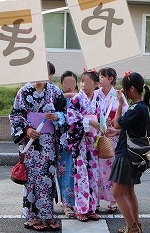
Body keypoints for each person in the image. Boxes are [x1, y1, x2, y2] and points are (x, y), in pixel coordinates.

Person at [9, 61, 63, 231]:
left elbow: (67, 112)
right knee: (32, 177)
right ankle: (32, 217)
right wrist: (27, 129)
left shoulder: (55, 92)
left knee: (47, 176)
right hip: (31, 142)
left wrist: (58, 117)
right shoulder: (24, 92)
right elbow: (15, 115)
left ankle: (48, 215)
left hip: (48, 142)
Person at [109, 71, 150, 233]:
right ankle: (135, 225)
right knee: (128, 192)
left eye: (125, 88)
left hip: (126, 154)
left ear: (132, 89)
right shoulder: (141, 107)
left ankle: (132, 228)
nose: (123, 91)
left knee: (117, 193)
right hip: (131, 153)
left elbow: (117, 123)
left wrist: (120, 104)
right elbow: (128, 129)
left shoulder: (136, 108)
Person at [67, 69, 104, 222]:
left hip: (93, 140)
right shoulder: (76, 99)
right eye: (82, 81)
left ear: (96, 84)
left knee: (93, 175)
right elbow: (72, 119)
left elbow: (101, 116)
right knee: (81, 175)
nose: (83, 84)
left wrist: (102, 125)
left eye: (87, 81)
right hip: (81, 141)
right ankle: (81, 209)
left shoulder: (98, 98)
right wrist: (89, 122)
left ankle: (92, 208)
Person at [96, 67, 128, 214]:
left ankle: (113, 200)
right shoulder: (95, 94)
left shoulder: (118, 95)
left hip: (112, 135)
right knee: (95, 168)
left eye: (102, 76)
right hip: (96, 134)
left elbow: (125, 116)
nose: (100, 79)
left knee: (112, 167)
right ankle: (94, 199)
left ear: (110, 79)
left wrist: (115, 121)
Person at [55, 71, 78, 218]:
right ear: (61, 84)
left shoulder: (80, 98)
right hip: (61, 140)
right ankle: (66, 202)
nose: (69, 87)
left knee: (75, 173)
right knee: (63, 172)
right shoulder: (57, 98)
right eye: (66, 84)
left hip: (76, 141)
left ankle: (75, 202)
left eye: (72, 84)